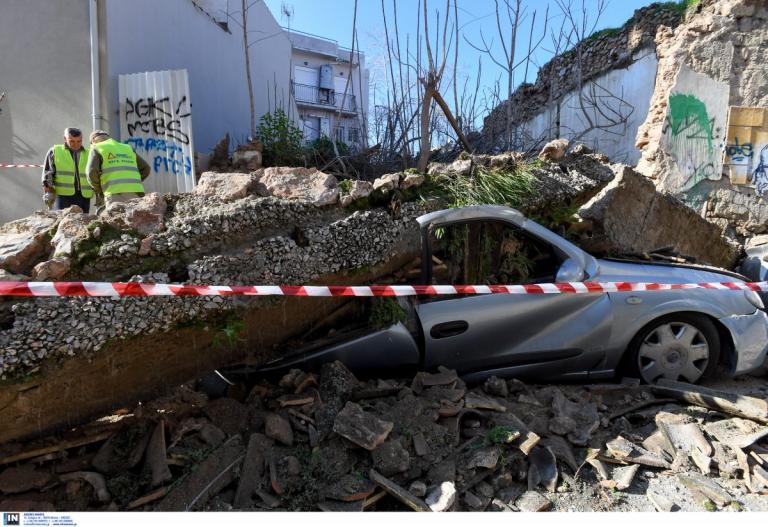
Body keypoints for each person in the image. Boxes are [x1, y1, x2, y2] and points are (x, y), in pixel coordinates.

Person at [86, 130, 151, 212]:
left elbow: (91, 173)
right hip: (136, 192)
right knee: (135, 219)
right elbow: (146, 168)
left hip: (114, 194)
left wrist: (99, 189)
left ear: (93, 141)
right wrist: (132, 181)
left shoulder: (96, 147)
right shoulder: (127, 147)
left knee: (116, 219)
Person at [41, 127, 93, 212]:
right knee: (62, 219)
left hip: (84, 196)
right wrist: (49, 191)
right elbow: (47, 173)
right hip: (63, 196)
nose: (76, 144)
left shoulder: (89, 153)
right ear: (65, 139)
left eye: (79, 141)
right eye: (72, 141)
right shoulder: (55, 151)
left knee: (83, 219)